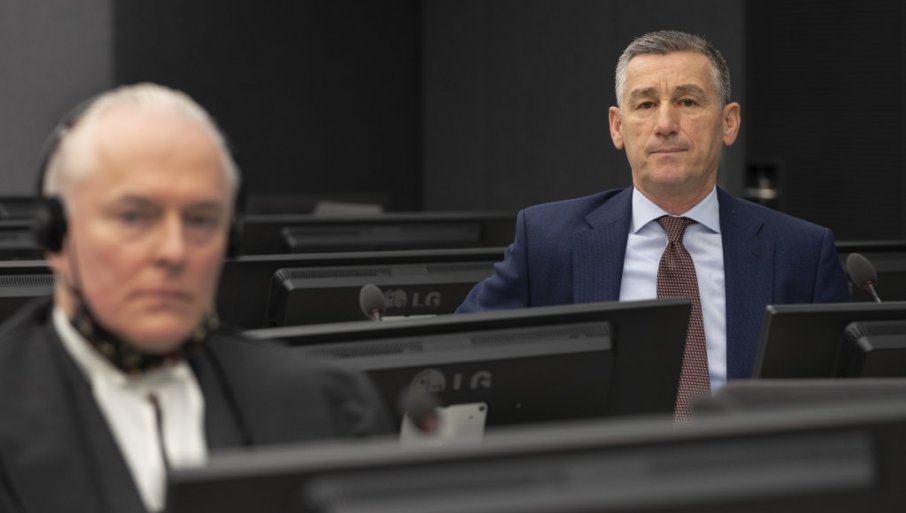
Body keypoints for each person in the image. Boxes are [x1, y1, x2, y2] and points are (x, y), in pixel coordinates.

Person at [0, 83, 391, 513]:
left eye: (201, 221)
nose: (174, 251)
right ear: (54, 236)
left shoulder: (328, 407)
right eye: (133, 217)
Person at [457, 30, 849, 400]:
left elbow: (844, 399)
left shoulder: (802, 253)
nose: (665, 125)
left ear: (728, 123)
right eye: (645, 104)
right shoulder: (547, 241)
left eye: (688, 102)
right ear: (617, 127)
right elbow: (456, 354)